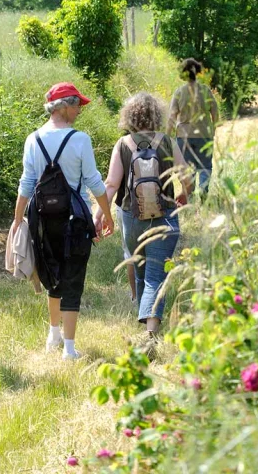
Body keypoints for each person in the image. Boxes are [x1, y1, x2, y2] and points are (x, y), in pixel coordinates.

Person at [12, 82, 115, 360]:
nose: (80, 110)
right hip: (75, 220)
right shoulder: (80, 140)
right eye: (77, 104)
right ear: (64, 106)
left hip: (42, 219)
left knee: (51, 271)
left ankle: (53, 335)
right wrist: (106, 213)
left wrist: (17, 218)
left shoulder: (32, 139)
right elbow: (94, 181)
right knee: (72, 278)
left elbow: (27, 182)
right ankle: (69, 349)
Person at [96, 92, 193, 359]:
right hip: (164, 216)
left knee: (139, 270)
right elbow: (186, 175)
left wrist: (100, 213)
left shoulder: (123, 144)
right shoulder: (167, 142)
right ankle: (150, 335)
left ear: (130, 116)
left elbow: (112, 184)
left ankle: (146, 321)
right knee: (155, 275)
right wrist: (185, 193)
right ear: (155, 115)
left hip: (131, 217)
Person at [167, 58, 219, 195]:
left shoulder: (179, 92)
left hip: (184, 137)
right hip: (204, 134)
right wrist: (213, 128)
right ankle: (203, 191)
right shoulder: (206, 90)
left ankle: (188, 195)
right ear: (198, 72)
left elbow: (171, 116)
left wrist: (167, 136)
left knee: (186, 168)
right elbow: (215, 110)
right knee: (205, 166)